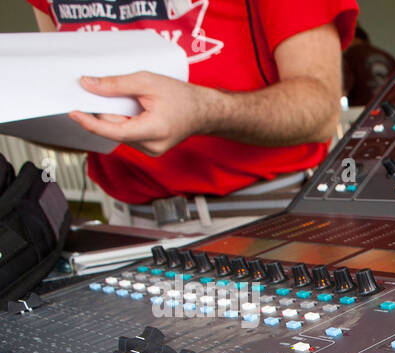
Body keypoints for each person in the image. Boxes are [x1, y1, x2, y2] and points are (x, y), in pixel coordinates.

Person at [28, 0, 360, 206]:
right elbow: (68, 102)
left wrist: (201, 111)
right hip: (124, 220)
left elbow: (319, 108)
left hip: (263, 211)